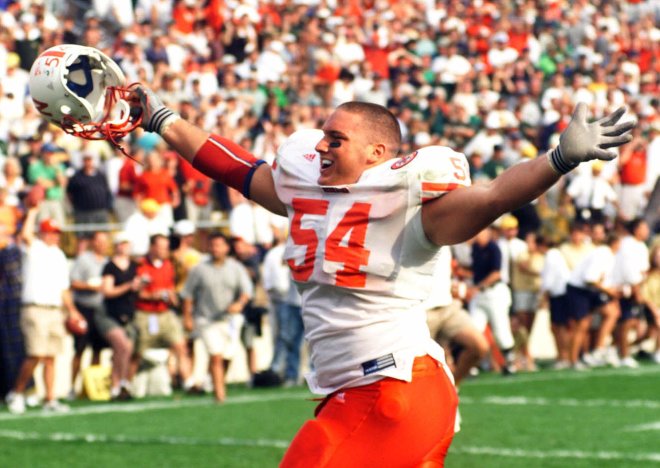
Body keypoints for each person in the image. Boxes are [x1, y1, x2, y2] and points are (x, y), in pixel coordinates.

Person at [126, 87, 635, 464]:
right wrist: (161, 119)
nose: (321, 146)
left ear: (376, 153)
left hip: (394, 390)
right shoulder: (309, 192)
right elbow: (238, 169)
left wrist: (560, 158)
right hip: (367, 392)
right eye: (323, 135)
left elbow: (496, 194)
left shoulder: (409, 207)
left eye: (336, 138)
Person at [5, 208, 84, 414]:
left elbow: (63, 288)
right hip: (35, 308)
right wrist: (31, 211)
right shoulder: (35, 249)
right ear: (43, 233)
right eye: (51, 232)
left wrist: (72, 311)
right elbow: (25, 235)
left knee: (51, 356)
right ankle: (17, 392)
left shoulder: (58, 255)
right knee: (35, 354)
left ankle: (50, 398)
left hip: (54, 309)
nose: (55, 236)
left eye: (56, 232)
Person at [181, 233, 253, 402]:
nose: (216, 249)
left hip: (229, 320)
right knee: (216, 355)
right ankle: (220, 395)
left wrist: (239, 304)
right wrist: (187, 318)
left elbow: (246, 291)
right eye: (213, 245)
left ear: (227, 248)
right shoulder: (199, 269)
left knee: (227, 355)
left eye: (219, 245)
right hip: (206, 319)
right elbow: (187, 295)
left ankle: (213, 382)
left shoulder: (236, 268)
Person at [134, 234, 195, 392]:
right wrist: (152, 295)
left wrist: (172, 297)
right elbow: (136, 292)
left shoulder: (168, 265)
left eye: (166, 247)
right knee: (138, 352)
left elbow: (171, 288)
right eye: (161, 247)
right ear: (152, 247)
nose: (164, 251)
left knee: (180, 346)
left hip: (164, 312)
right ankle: (126, 384)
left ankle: (188, 382)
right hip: (146, 313)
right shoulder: (140, 265)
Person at [98, 231, 140, 400]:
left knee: (127, 349)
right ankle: (116, 384)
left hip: (128, 313)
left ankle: (122, 383)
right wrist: (129, 286)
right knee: (121, 346)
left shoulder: (134, 266)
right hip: (110, 313)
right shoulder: (110, 267)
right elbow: (107, 291)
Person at [68, 230, 110, 399]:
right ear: (93, 242)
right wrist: (89, 287)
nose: (102, 244)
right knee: (79, 349)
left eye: (104, 241)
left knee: (97, 350)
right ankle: (72, 387)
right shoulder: (84, 259)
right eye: (99, 241)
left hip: (101, 309)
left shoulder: (107, 262)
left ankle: (90, 388)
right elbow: (73, 282)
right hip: (84, 308)